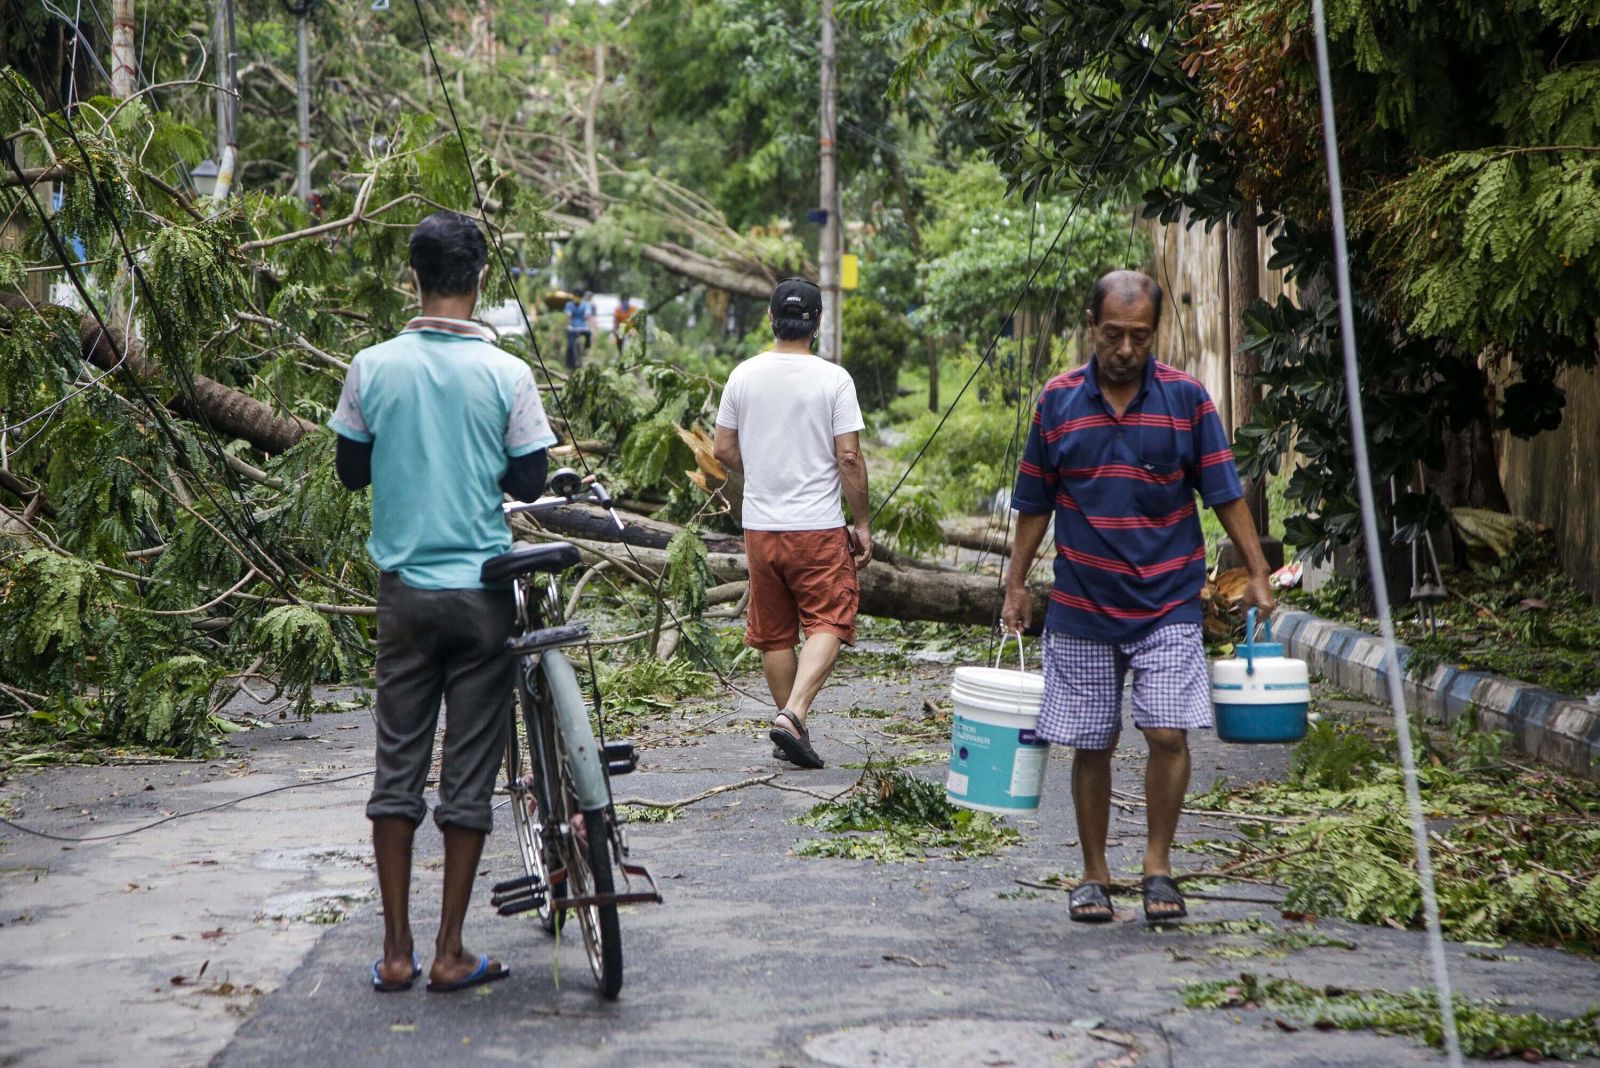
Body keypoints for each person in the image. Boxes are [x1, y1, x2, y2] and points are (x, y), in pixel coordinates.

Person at [1000, 269, 1274, 925]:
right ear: (1092, 327)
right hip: (1083, 605)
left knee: (1167, 732)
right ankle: (1094, 875)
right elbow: (1034, 504)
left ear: (1154, 333)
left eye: (1139, 336)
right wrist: (1014, 582)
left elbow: (1224, 493)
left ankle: (1157, 867)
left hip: (1169, 601)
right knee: (1091, 741)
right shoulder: (1057, 402)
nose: (1125, 348)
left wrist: (1258, 570)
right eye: (1114, 334)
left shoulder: (1187, 400)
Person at [329, 211, 557, 993]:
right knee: (467, 774)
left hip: (405, 598)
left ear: (413, 279)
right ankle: (452, 949)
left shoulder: (372, 365)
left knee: (397, 768)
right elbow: (530, 480)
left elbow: (351, 472)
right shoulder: (507, 374)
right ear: (481, 280)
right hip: (483, 596)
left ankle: (396, 954)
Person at [712, 277, 871, 769]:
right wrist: (861, 521)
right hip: (816, 528)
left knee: (775, 633)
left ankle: (793, 727)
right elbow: (848, 457)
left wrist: (759, 468)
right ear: (818, 323)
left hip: (760, 528)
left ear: (770, 319)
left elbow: (720, 448)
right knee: (831, 616)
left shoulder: (742, 375)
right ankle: (795, 714)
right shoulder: (833, 379)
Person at [564, 290, 595, 370]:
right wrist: (568, 326)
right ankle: (570, 365)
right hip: (573, 327)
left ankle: (585, 351)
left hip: (583, 327)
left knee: (588, 335)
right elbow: (568, 317)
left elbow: (588, 316)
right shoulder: (569, 305)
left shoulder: (585, 305)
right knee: (570, 346)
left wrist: (591, 328)